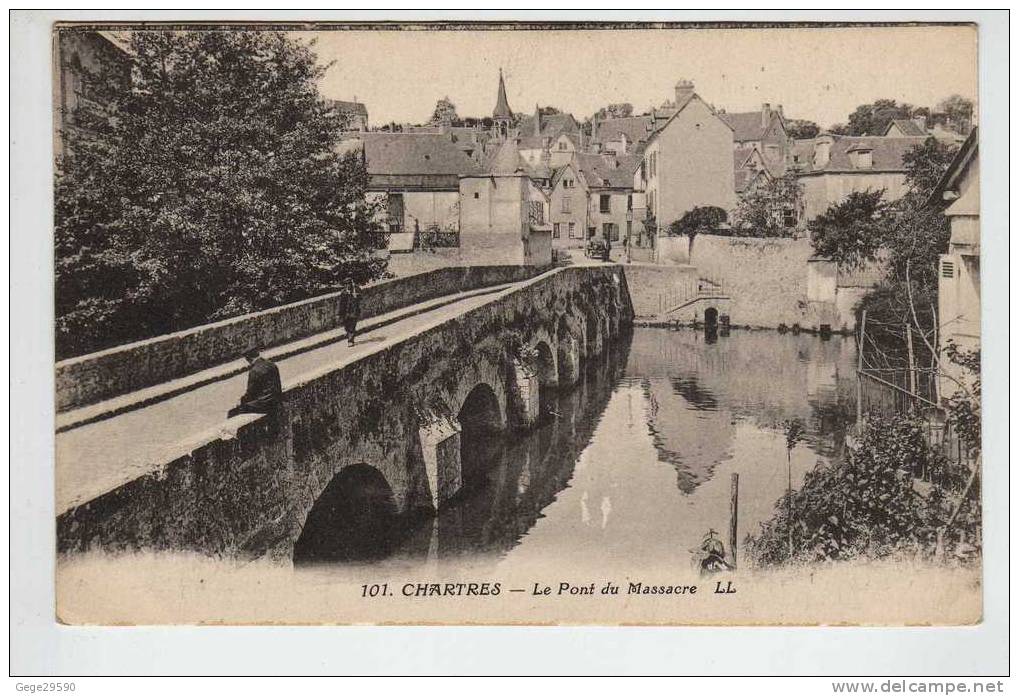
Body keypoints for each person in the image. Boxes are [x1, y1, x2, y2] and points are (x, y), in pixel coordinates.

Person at [228, 347, 282, 418]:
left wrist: (241, 401)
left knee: (233, 412)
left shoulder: (254, 371)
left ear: (248, 359)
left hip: (265, 404)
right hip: (276, 401)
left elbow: (251, 393)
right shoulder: (272, 364)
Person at [341, 279, 361, 346]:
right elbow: (341, 303)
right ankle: (349, 334)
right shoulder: (343, 292)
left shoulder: (356, 290)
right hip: (346, 312)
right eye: (346, 284)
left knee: (352, 326)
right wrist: (340, 313)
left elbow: (360, 297)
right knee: (346, 326)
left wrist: (356, 296)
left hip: (354, 312)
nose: (348, 285)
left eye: (349, 284)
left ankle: (350, 340)